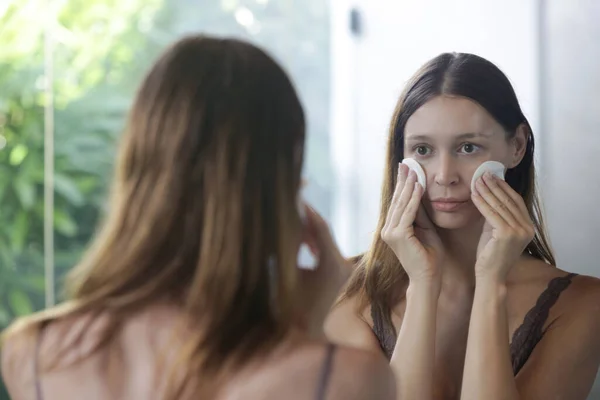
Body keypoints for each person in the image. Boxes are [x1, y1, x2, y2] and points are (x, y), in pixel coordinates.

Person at [0, 35, 396, 400]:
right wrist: (310, 332)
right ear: (278, 191)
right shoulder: (344, 378)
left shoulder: (31, 354)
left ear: (138, 170)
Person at [326, 52, 600, 400]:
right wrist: (423, 286)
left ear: (516, 146)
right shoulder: (344, 291)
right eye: (422, 149)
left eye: (468, 147)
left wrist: (490, 283)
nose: (444, 176)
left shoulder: (581, 304)